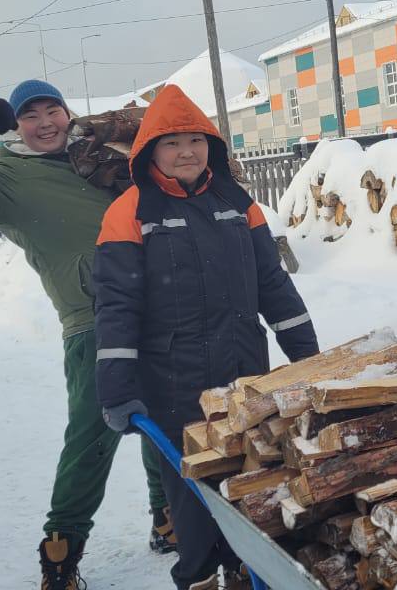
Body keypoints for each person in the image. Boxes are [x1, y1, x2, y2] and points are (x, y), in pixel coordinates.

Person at [0, 79, 170, 590]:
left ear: (67, 112)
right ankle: (61, 550)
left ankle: (167, 517)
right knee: (92, 436)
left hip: (157, 306)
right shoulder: (7, 181)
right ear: (15, 126)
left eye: (52, 110)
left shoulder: (96, 156)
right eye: (30, 115)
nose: (45, 122)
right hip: (92, 319)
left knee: (165, 413)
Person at [93, 84, 319, 590]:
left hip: (245, 376)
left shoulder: (238, 204)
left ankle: (245, 573)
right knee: (193, 502)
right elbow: (116, 309)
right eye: (172, 142)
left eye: (196, 140)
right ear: (150, 151)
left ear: (211, 146)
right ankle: (197, 578)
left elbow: (274, 287)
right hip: (175, 385)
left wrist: (309, 358)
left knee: (254, 482)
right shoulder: (130, 212)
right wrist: (117, 389)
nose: (186, 152)